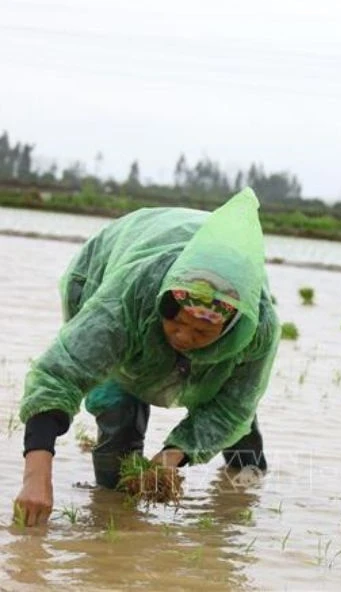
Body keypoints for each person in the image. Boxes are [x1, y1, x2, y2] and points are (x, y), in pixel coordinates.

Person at [13, 187, 280, 526]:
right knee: (118, 430)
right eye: (177, 323)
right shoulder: (126, 299)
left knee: (233, 408)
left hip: (225, 318)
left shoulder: (257, 329)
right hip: (117, 258)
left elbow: (231, 408)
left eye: (200, 333)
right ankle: (115, 526)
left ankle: (246, 483)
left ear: (230, 328)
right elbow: (59, 376)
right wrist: (36, 477)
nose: (184, 337)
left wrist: (169, 458)